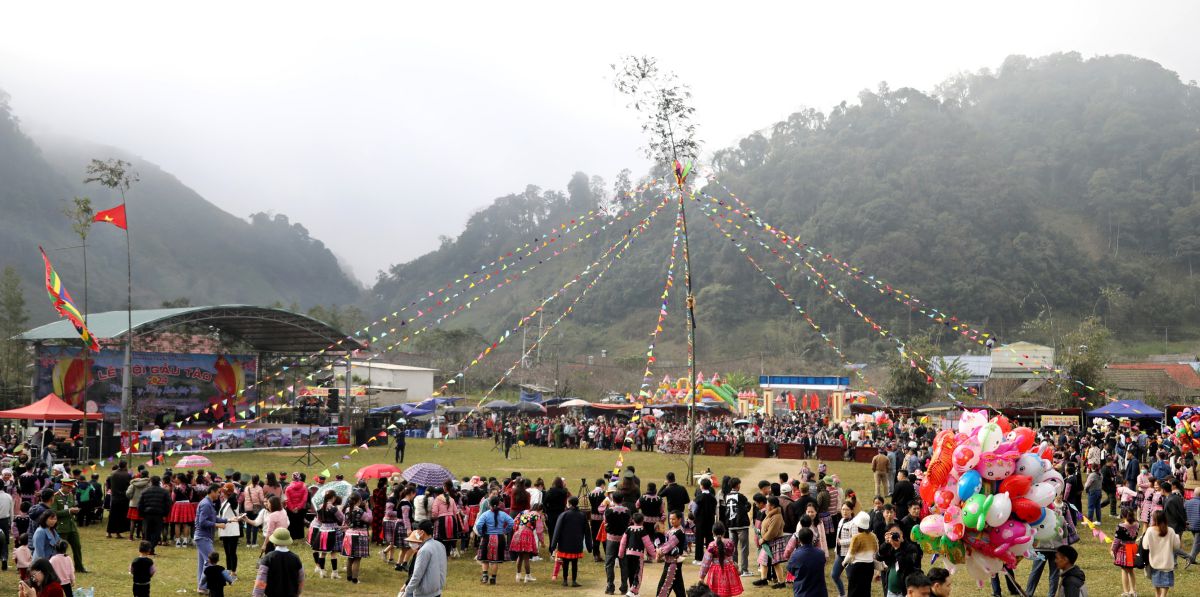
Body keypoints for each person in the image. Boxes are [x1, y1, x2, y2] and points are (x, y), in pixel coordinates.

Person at [194, 483, 228, 594]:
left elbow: (213, 518)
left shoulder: (209, 503)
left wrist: (228, 520)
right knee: (210, 562)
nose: (219, 494)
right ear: (212, 491)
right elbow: (202, 522)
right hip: (203, 537)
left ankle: (201, 586)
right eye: (218, 492)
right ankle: (202, 587)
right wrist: (218, 526)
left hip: (203, 537)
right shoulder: (206, 504)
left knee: (203, 563)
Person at [551, 495, 592, 588]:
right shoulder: (582, 515)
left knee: (565, 562)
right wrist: (589, 546)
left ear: (569, 504)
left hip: (564, 543)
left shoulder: (564, 515)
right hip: (576, 543)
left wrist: (553, 545)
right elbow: (587, 531)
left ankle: (565, 580)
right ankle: (574, 581)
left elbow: (557, 530)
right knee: (574, 563)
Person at [252, 528, 305, 597]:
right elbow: (301, 579)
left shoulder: (268, 558)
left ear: (274, 543)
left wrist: (257, 595)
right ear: (288, 542)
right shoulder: (295, 558)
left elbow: (261, 580)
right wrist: (298, 593)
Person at [474, 496, 515, 585]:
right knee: (495, 560)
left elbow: (478, 525)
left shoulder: (485, 514)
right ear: (499, 504)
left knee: (485, 559)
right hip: (500, 538)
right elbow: (512, 522)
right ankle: (493, 578)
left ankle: (485, 576)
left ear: (489, 504)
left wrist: (481, 533)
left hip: (487, 537)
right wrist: (505, 531)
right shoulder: (503, 514)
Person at [1141, 510, 1181, 597]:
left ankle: (1157, 595)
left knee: (1156, 584)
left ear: (1154, 519)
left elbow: (1145, 546)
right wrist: (1177, 537)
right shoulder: (1170, 531)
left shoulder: (1150, 531)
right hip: (1167, 563)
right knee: (1165, 586)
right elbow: (1176, 546)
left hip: (1154, 563)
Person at [403, 520, 447, 597]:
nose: (416, 532)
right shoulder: (440, 545)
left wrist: (407, 592)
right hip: (437, 590)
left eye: (417, 530)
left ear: (422, 532)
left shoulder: (424, 550)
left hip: (424, 593)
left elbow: (417, 575)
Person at [618, 511, 658, 596]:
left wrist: (620, 554)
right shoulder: (642, 530)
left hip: (628, 554)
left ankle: (634, 592)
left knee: (631, 573)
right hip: (638, 556)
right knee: (638, 574)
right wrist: (655, 555)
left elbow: (623, 542)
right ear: (642, 521)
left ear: (633, 520)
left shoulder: (628, 529)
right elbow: (649, 545)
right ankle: (632, 591)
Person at [698, 523, 742, 597]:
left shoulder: (712, 545)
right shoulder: (730, 543)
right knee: (728, 593)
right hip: (729, 570)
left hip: (715, 572)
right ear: (724, 532)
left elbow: (706, 563)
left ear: (713, 532)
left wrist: (701, 577)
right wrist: (737, 569)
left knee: (714, 594)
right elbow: (731, 557)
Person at [50, 477, 85, 572]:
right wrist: (69, 511)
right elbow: (54, 513)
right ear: (63, 486)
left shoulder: (70, 495)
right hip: (61, 527)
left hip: (72, 526)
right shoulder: (56, 496)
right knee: (61, 550)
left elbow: (71, 507)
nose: (70, 490)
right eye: (68, 488)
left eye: (71, 488)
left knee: (77, 546)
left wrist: (75, 510)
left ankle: (79, 567)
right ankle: (61, 569)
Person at [879, 523, 922, 597]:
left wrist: (898, 548)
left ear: (902, 534)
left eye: (896, 533)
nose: (894, 536)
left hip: (904, 592)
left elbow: (906, 565)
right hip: (890, 591)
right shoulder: (889, 546)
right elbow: (879, 557)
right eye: (892, 534)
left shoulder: (911, 547)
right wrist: (885, 543)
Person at [604, 485, 632, 594]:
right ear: (623, 499)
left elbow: (605, 523)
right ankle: (624, 587)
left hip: (611, 539)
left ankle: (610, 587)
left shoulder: (608, 511)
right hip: (624, 540)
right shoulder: (627, 511)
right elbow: (629, 523)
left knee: (609, 564)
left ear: (613, 499)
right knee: (624, 564)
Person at [841, 511, 876, 597]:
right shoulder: (873, 536)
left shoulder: (856, 537)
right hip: (869, 566)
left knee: (854, 590)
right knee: (866, 589)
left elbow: (850, 553)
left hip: (858, 567)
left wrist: (844, 562)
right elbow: (876, 550)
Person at [654, 510, 688, 597]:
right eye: (670, 519)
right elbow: (665, 543)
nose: (671, 521)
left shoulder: (680, 532)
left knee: (663, 588)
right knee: (679, 589)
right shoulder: (671, 530)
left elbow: (669, 545)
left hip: (673, 564)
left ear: (680, 519)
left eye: (673, 519)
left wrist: (659, 551)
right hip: (671, 562)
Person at [722, 478, 752, 577]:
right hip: (741, 525)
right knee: (744, 548)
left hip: (731, 525)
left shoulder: (726, 496)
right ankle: (744, 570)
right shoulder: (741, 496)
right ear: (737, 485)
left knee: (733, 549)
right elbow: (747, 506)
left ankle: (734, 569)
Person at [310, 491, 343, 578]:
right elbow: (341, 518)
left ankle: (322, 572)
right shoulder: (333, 508)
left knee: (323, 553)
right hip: (332, 531)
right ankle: (334, 573)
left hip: (323, 531)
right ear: (332, 497)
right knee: (333, 553)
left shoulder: (320, 507)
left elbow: (319, 519)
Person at [786, 528, 827, 597]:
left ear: (799, 540)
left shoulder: (796, 555)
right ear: (812, 538)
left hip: (802, 591)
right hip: (820, 592)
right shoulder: (821, 553)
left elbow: (791, 569)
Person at [341, 492, 372, 584]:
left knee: (350, 557)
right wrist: (367, 508)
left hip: (349, 534)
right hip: (359, 535)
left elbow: (345, 522)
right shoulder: (359, 511)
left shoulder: (347, 509)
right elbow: (369, 519)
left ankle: (349, 577)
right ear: (359, 500)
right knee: (357, 558)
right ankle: (354, 579)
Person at [138, 475, 171, 555]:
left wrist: (142, 514)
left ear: (151, 482)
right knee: (156, 533)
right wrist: (165, 514)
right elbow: (168, 504)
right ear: (159, 482)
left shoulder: (145, 491)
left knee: (147, 533)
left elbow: (140, 504)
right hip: (158, 515)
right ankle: (151, 548)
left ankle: (148, 549)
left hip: (147, 515)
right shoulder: (164, 492)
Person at [216, 483, 244, 579]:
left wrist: (230, 490)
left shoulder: (233, 501)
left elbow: (233, 496)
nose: (221, 494)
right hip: (224, 530)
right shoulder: (224, 502)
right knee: (227, 552)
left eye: (223, 492)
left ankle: (234, 571)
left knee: (232, 552)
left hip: (232, 530)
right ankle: (228, 570)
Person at [1112, 507, 1140, 597]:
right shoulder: (1137, 524)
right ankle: (1133, 591)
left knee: (1124, 570)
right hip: (1133, 548)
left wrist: (1113, 550)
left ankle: (1126, 591)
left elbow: (1116, 541)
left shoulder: (1121, 526)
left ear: (1123, 515)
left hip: (1124, 550)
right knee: (1131, 570)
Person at [694, 477, 718, 565]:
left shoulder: (699, 497)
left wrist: (695, 516)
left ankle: (699, 558)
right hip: (710, 521)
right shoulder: (713, 498)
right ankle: (710, 558)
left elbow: (694, 509)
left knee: (699, 539)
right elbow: (715, 510)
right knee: (709, 539)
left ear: (702, 486)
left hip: (700, 521)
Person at [108, 461, 133, 539]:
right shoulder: (127, 475)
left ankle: (109, 532)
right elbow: (129, 486)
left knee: (112, 515)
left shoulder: (113, 474)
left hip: (114, 497)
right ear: (125, 466)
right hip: (123, 498)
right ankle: (118, 532)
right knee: (121, 516)